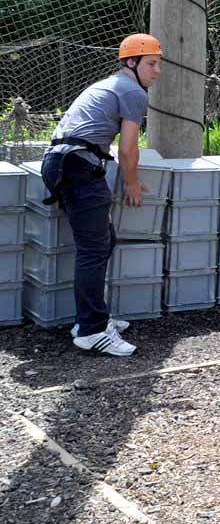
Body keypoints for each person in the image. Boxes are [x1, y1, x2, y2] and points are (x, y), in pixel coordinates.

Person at [39, 34, 161, 356]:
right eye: (151, 63)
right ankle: (92, 330)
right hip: (77, 167)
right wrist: (131, 183)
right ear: (131, 64)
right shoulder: (134, 92)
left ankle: (93, 318)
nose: (157, 70)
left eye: (157, 63)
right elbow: (128, 147)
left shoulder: (111, 85)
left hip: (65, 163)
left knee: (103, 241)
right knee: (93, 249)